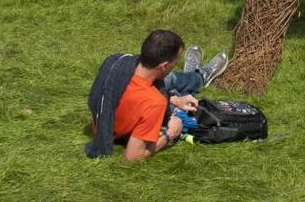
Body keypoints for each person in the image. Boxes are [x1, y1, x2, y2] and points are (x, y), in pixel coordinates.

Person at [85, 30, 228, 161]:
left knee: (169, 80)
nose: (175, 63)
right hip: (125, 126)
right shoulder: (154, 103)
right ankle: (200, 76)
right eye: (175, 62)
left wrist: (173, 99)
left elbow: (129, 95)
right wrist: (170, 134)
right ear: (163, 66)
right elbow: (131, 156)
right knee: (172, 79)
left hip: (105, 122)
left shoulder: (116, 62)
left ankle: (193, 76)